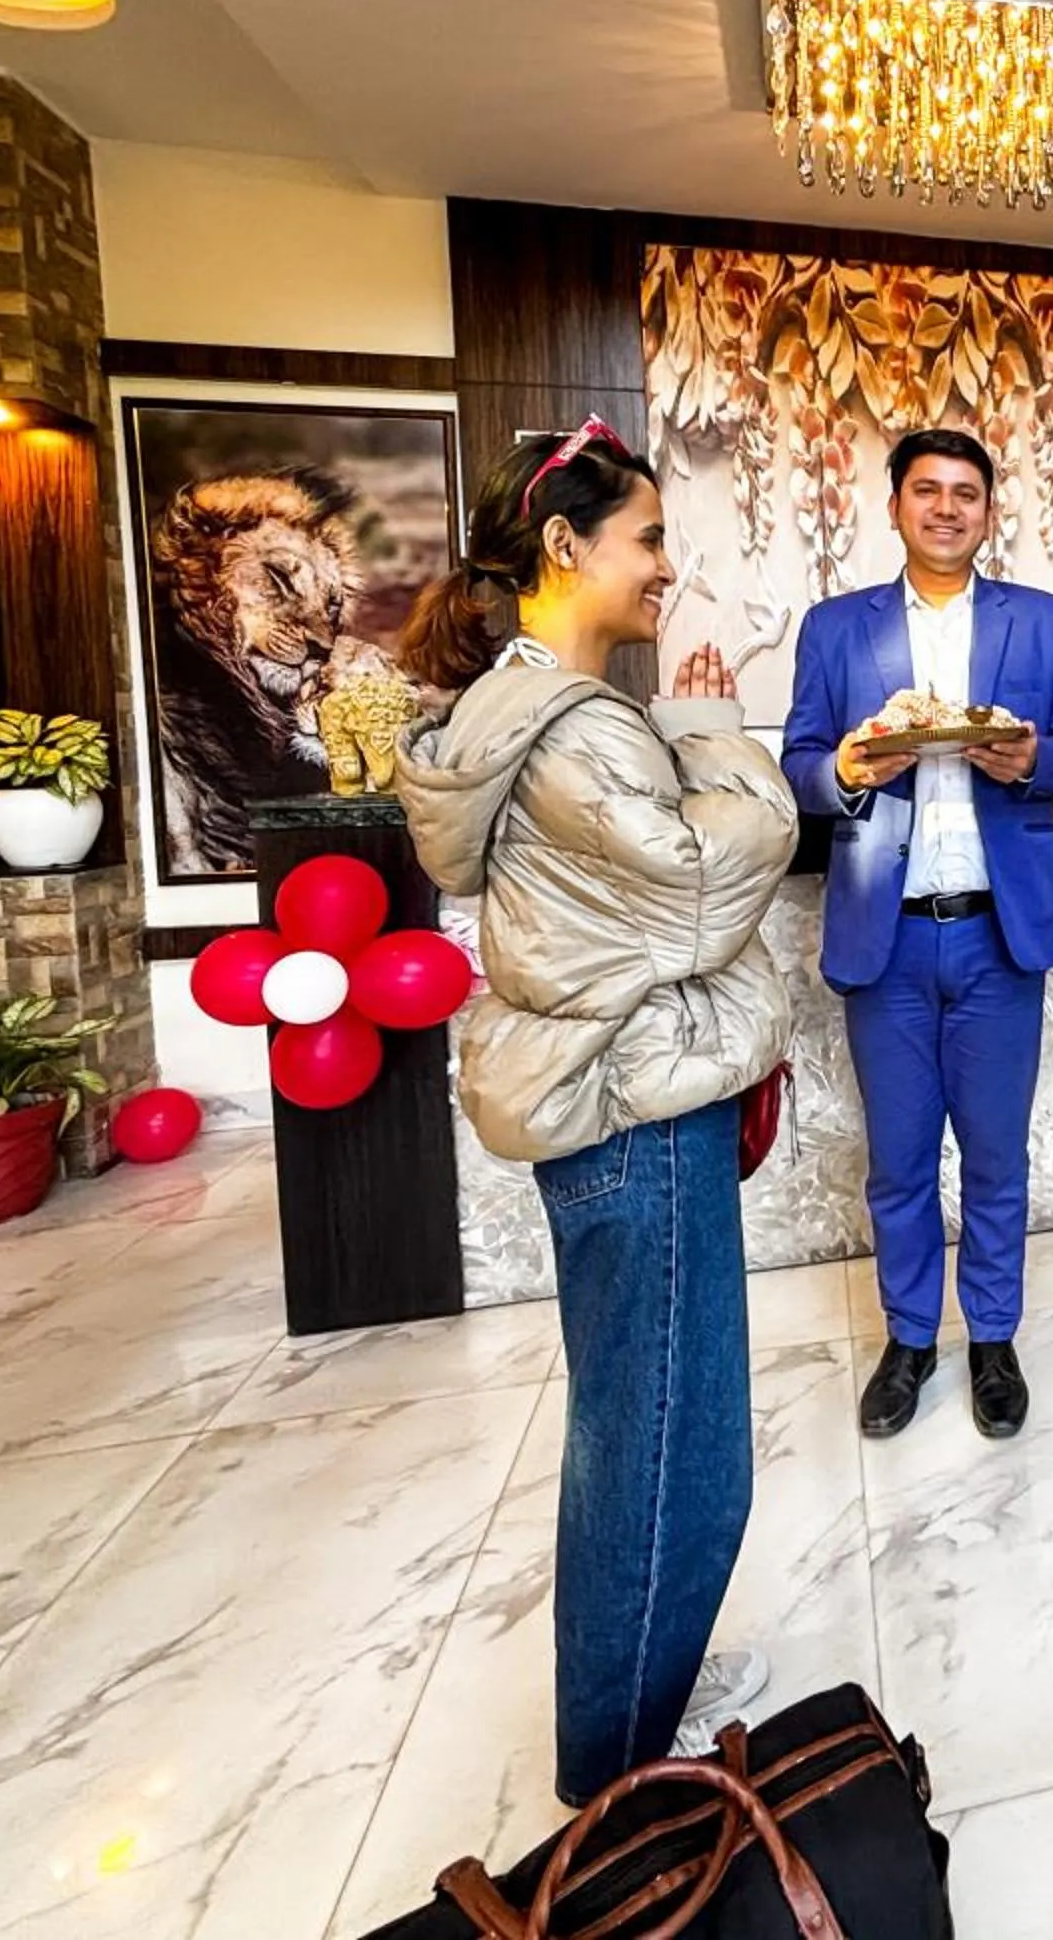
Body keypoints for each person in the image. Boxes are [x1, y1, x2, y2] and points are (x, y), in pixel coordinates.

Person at [394, 418, 800, 1803]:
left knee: (640, 1426)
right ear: (564, 545)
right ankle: (621, 1769)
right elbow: (702, 886)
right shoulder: (576, 729)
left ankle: (640, 1689)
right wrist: (717, 734)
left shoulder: (520, 712)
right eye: (649, 539)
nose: (667, 568)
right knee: (671, 1448)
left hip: (612, 1100)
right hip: (638, 1111)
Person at [780, 430, 1053, 1442]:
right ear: (895, 507)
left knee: (998, 1158)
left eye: (967, 492)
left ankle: (994, 1340)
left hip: (996, 935)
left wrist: (1030, 759)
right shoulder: (837, 629)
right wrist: (846, 770)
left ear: (989, 511)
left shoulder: (1038, 622)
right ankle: (911, 1338)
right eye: (927, 490)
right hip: (885, 938)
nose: (948, 508)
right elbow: (798, 762)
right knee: (900, 1162)